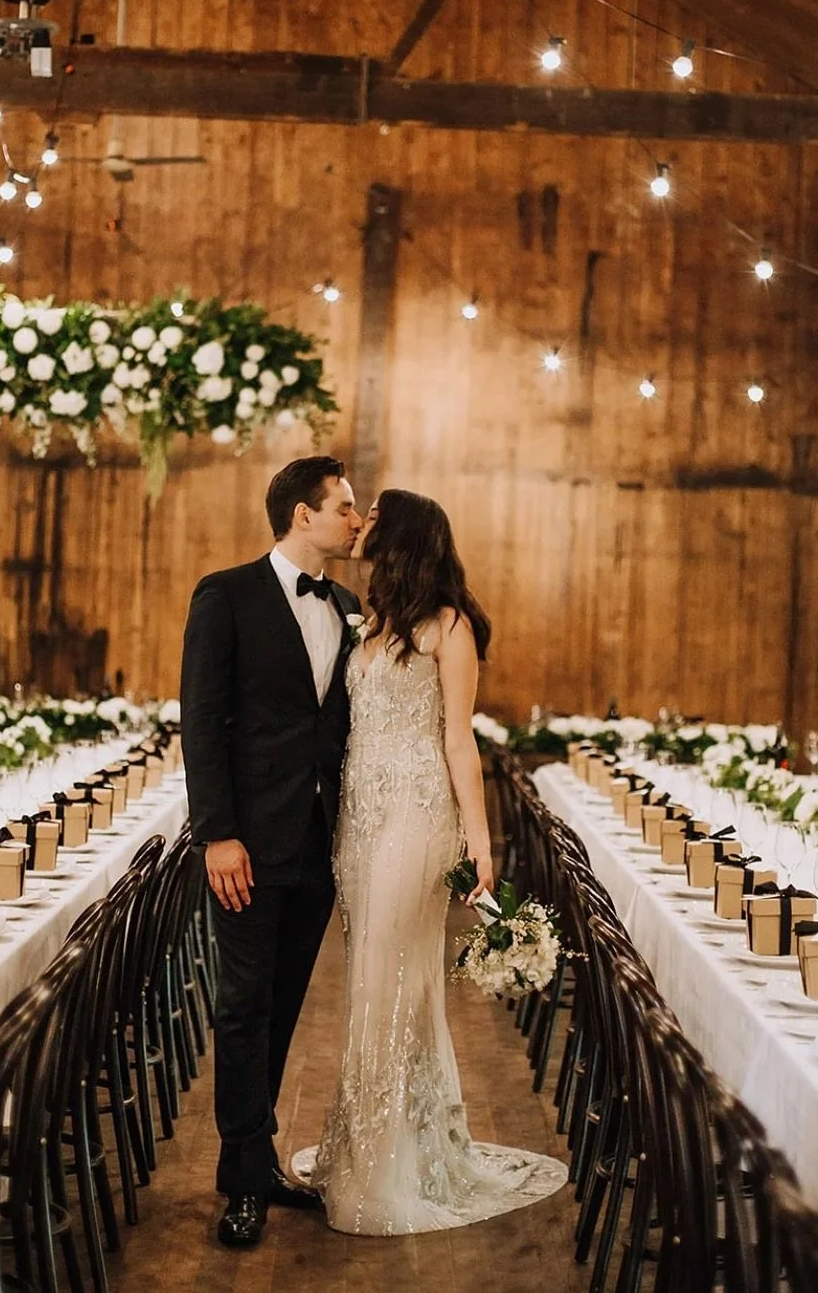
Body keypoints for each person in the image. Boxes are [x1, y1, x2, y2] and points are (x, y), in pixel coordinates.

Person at [292, 489, 567, 1235]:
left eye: (373, 515)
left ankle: (382, 1171)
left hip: (417, 816)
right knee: (378, 981)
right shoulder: (373, 622)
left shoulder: (449, 626)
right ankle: (390, 1144)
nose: (362, 523)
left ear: (404, 533)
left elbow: (457, 742)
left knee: (392, 975)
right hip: (361, 819)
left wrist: (481, 843)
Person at [180, 455, 363, 1248]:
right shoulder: (225, 595)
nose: (359, 521)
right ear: (302, 515)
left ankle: (254, 1159)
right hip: (246, 844)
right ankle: (244, 1179)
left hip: (319, 845)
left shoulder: (349, 605)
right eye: (347, 508)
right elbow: (201, 722)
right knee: (243, 1006)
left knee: (283, 1003)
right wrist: (217, 833)